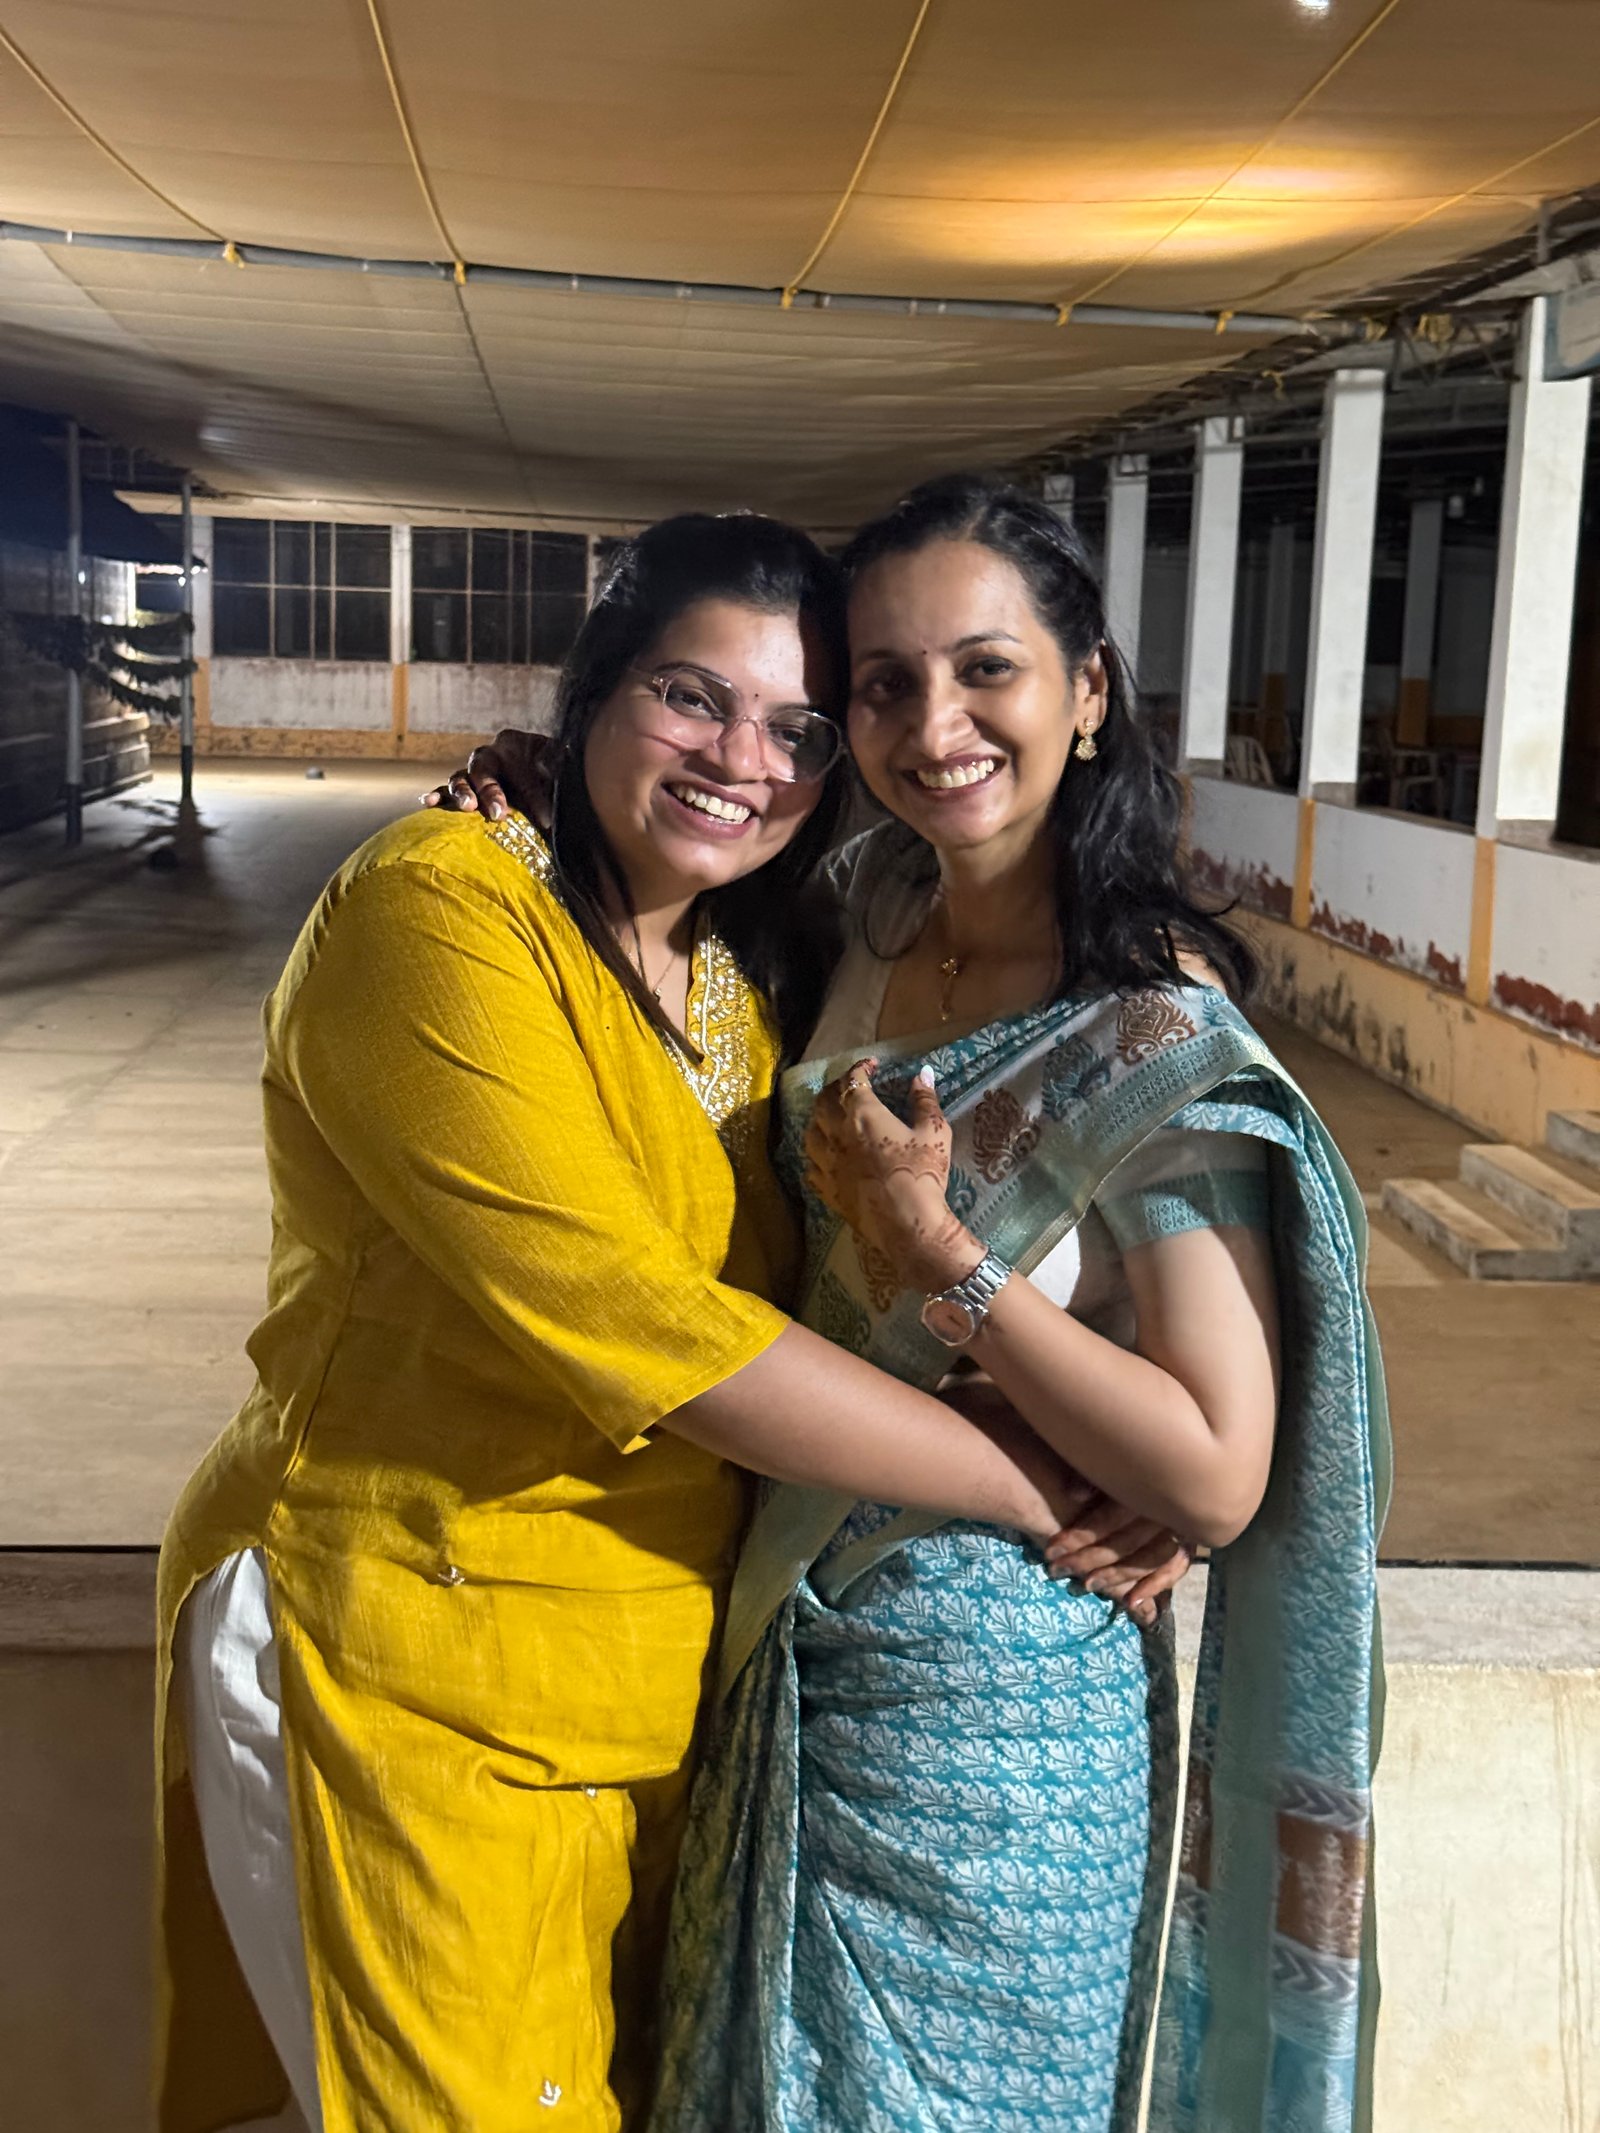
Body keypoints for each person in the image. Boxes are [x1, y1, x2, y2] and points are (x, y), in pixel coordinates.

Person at [155, 510, 1178, 2133]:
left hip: (656, 1690)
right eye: (691, 698)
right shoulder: (440, 915)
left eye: (795, 727)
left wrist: (1106, 1428)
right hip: (407, 1658)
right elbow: (641, 1325)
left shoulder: (743, 970)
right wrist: (1037, 1485)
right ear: (594, 692)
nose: (741, 761)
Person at [456, 476, 1390, 2133]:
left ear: (1086, 690)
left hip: (1005, 1713)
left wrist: (941, 1254)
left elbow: (1213, 1468)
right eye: (883, 685)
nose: (933, 725)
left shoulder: (1143, 1025)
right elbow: (668, 879)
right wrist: (545, 789)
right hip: (795, 1649)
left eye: (987, 670)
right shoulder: (860, 913)